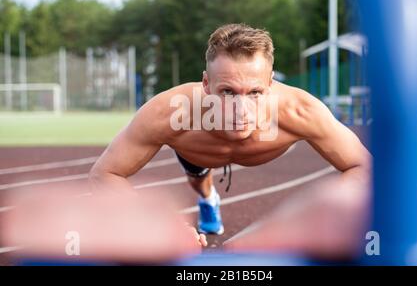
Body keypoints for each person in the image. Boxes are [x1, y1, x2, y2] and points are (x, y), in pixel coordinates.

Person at [88, 23, 371, 239]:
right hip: (198, 153)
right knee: (198, 181)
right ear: (206, 84)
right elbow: (105, 174)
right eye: (227, 92)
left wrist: (309, 216)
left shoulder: (300, 111)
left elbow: (365, 168)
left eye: (255, 92)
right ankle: (208, 198)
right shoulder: (168, 113)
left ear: (271, 84)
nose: (241, 109)